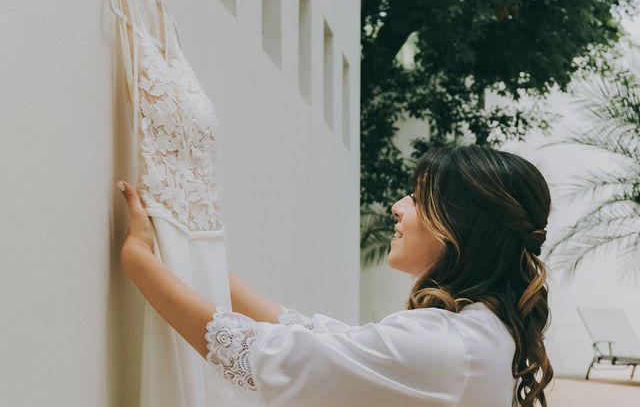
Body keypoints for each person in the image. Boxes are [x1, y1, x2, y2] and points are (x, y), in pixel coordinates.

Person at [116, 145, 554, 407]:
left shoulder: (446, 346)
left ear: (460, 226)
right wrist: (201, 259)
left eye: (418, 198)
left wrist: (139, 263)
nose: (399, 207)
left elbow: (265, 355)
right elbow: (317, 337)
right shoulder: (475, 330)